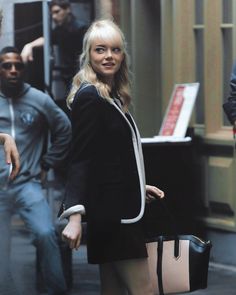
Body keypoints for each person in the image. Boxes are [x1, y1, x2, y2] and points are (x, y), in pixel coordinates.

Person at [60, 19, 165, 295]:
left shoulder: (109, 97)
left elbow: (107, 159)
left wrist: (138, 186)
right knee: (144, 291)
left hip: (114, 211)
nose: (109, 56)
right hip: (116, 218)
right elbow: (81, 157)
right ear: (88, 55)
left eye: (115, 50)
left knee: (114, 290)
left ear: (123, 55)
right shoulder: (90, 97)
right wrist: (73, 215)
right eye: (100, 50)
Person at [0, 46, 71, 295]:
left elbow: (64, 129)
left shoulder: (38, 99)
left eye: (18, 66)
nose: (13, 70)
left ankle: (57, 291)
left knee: (46, 233)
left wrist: (47, 162)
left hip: (26, 183)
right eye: (7, 65)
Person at [21, 0, 87, 87]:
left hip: (82, 76)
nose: (54, 17)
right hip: (69, 77)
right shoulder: (60, 30)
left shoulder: (81, 29)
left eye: (57, 12)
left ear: (68, 9)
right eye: (52, 13)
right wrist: (29, 46)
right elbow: (47, 39)